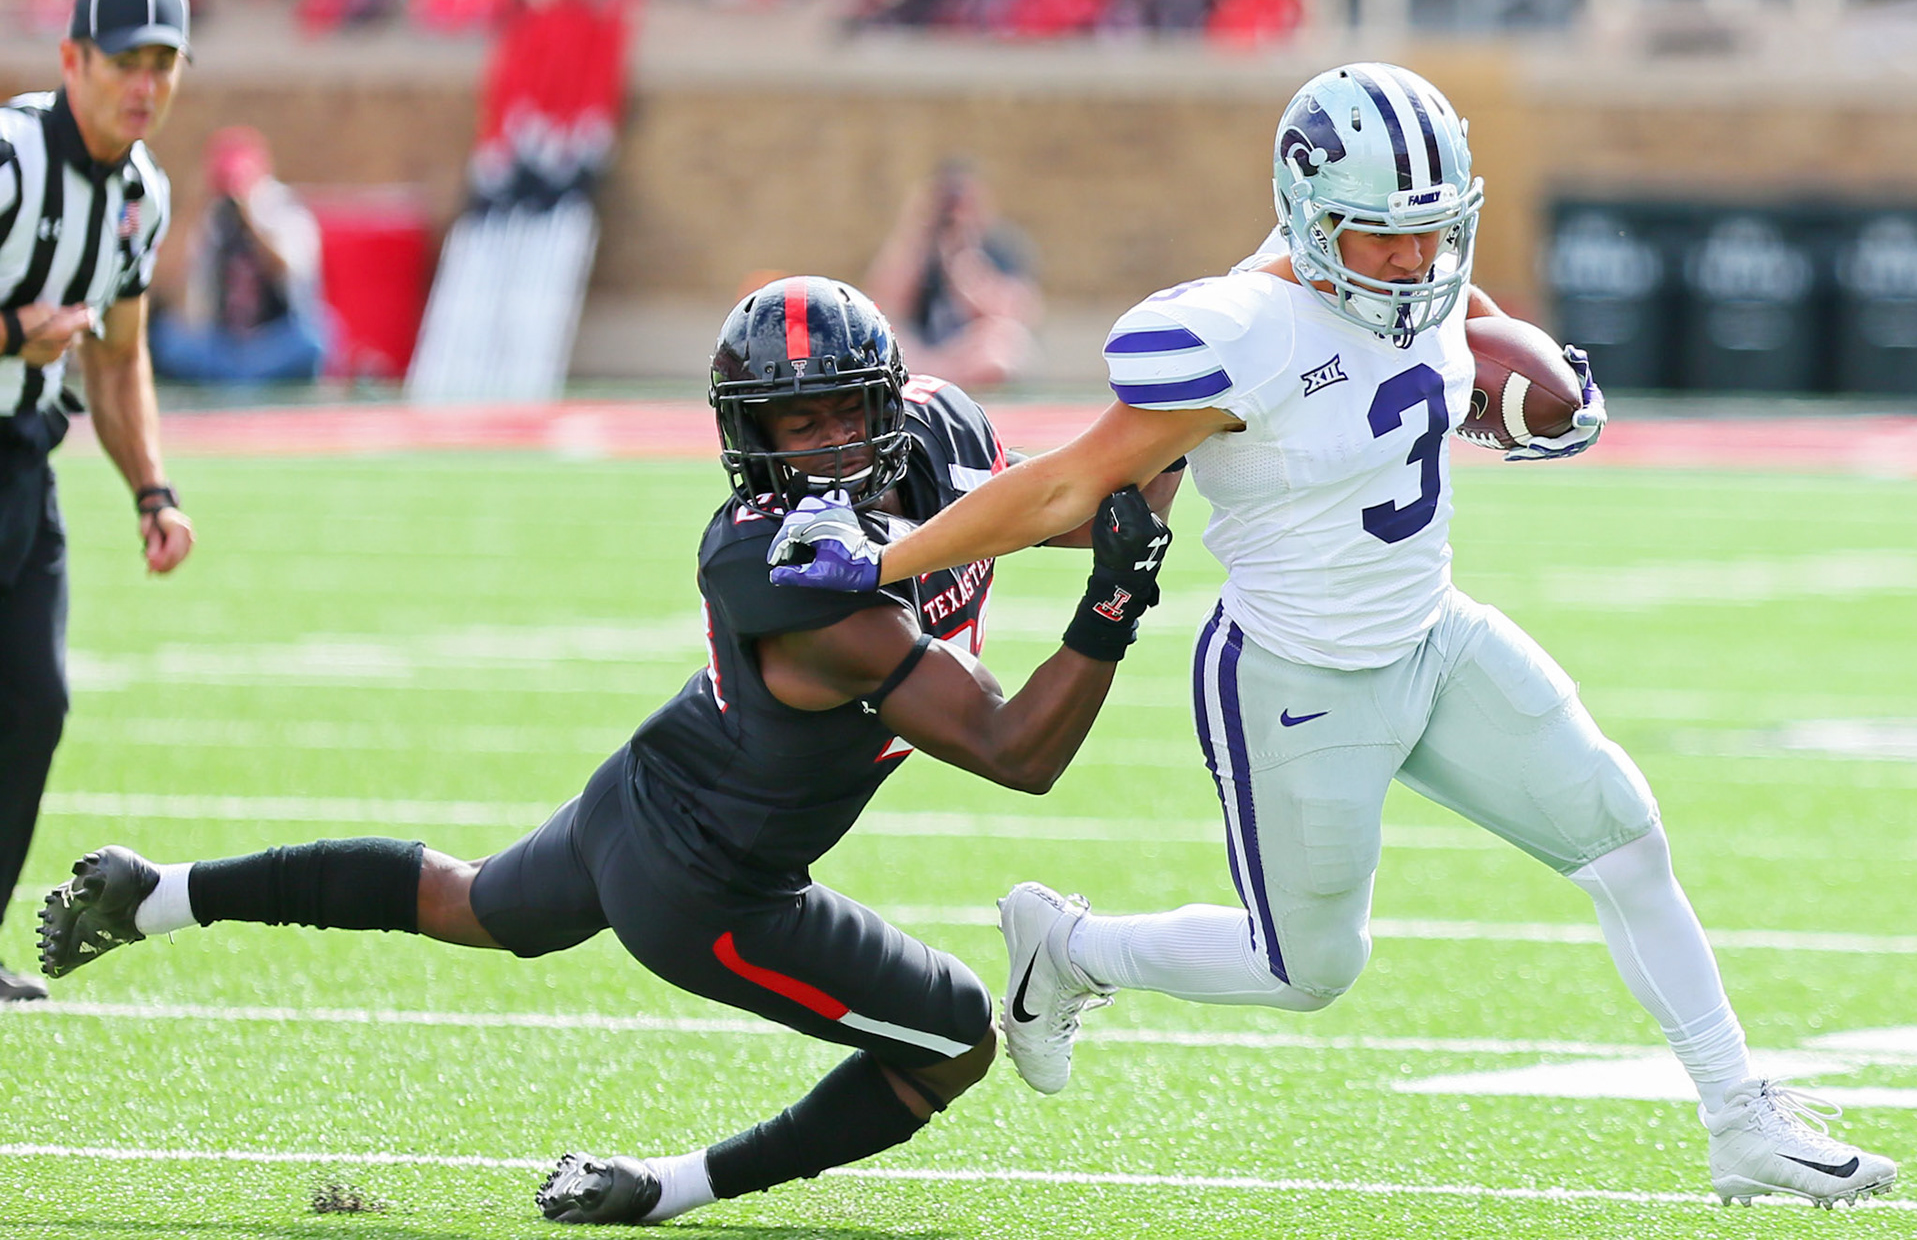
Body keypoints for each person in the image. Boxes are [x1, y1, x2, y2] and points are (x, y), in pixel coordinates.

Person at [765, 64, 1900, 1208]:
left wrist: (1547, 381)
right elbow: (1068, 485)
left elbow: (1468, 323)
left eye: (1434, 232)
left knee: (1624, 836)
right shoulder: (1238, 332)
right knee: (1307, 971)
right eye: (1382, 238)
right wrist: (885, 559)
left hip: (1434, 635)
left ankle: (1741, 1120)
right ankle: (1069, 950)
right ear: (1310, 218)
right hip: (1295, 674)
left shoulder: (1421, 271)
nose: (1415, 263)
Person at [37, 276, 1174, 1225]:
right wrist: (1114, 602)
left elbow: (1078, 494)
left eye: (843, 414)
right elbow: (1015, 750)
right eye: (796, 425)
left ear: (887, 401)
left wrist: (1200, 421)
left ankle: (156, 896)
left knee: (466, 901)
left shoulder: (939, 432)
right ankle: (668, 1191)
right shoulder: (781, 571)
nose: (829, 447)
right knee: (955, 1042)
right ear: (750, 439)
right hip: (712, 886)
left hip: (655, 779)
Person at [0, 0, 196, 1003]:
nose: (146, 82)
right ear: (73, 59)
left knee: (34, 698)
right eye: (127, 60)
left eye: (164, 63)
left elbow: (119, 356)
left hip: (24, 457)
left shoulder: (140, 194)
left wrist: (152, 490)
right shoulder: (11, 159)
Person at [148, 125, 331, 385]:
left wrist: (250, 213)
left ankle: (237, 382)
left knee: (315, 340)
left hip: (273, 343)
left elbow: (289, 271)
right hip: (218, 344)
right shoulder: (205, 214)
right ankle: (238, 381)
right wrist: (194, 207)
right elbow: (161, 280)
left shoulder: (284, 209)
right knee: (168, 339)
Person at [864, 159, 1039, 390]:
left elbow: (1014, 313)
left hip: (973, 350)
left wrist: (963, 260)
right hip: (926, 351)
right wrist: (916, 231)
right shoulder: (919, 249)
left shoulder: (1000, 248)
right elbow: (884, 300)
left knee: (1002, 342)